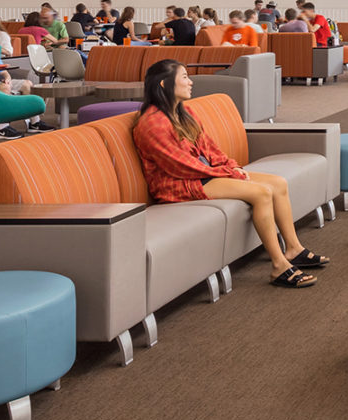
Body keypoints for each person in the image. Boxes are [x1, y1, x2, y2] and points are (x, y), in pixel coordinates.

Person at [132, 60, 323, 288]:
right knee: (261, 193)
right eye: (184, 77)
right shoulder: (152, 124)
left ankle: (294, 249)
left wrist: (230, 166)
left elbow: (209, 148)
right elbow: (179, 166)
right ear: (164, 84)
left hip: (204, 174)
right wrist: (226, 172)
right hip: (179, 183)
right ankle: (278, 266)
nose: (191, 82)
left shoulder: (185, 112)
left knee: (278, 183)